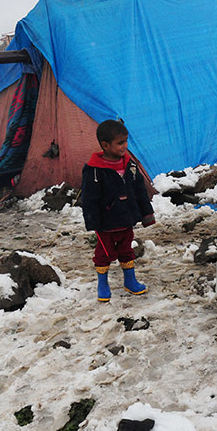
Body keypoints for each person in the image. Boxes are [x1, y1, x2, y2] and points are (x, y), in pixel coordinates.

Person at [81, 119, 156, 302]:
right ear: (105, 145)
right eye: (120, 143)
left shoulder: (129, 165)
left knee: (126, 250)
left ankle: (130, 281)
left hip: (126, 219)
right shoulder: (94, 171)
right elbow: (89, 198)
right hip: (106, 223)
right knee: (104, 254)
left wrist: (146, 214)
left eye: (125, 141)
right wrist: (93, 221)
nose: (125, 146)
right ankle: (103, 284)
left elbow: (140, 189)